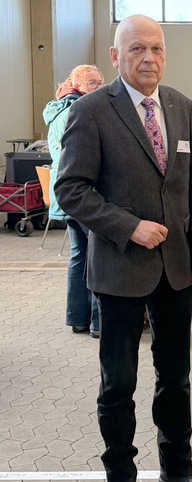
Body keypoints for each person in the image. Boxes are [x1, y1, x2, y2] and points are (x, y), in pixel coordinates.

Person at [55, 15, 192, 482]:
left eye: (157, 48)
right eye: (137, 49)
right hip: (119, 268)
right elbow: (70, 189)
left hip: (175, 270)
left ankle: (177, 469)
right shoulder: (90, 111)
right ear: (115, 55)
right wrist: (129, 227)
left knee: (176, 378)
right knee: (118, 383)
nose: (149, 58)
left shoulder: (181, 107)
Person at [43, 64, 103, 338]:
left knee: (79, 255)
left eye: (100, 82)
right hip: (83, 195)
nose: (98, 87)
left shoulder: (57, 111)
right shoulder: (80, 110)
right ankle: (99, 323)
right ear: (77, 85)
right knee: (99, 255)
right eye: (92, 83)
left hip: (65, 195)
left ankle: (78, 318)